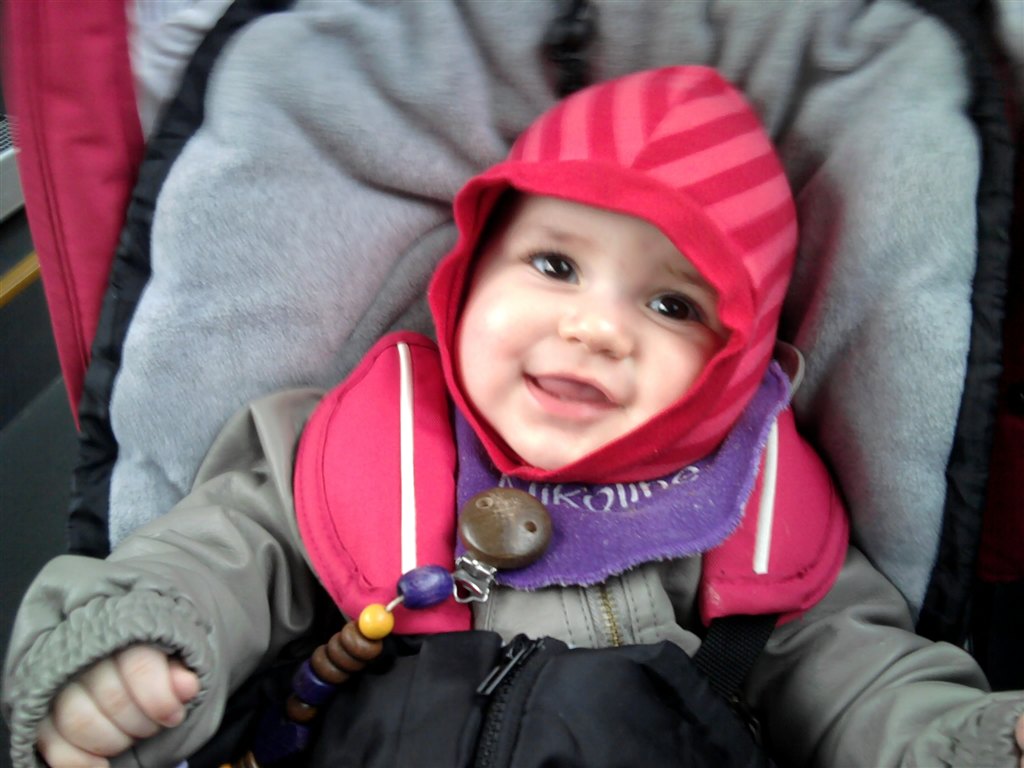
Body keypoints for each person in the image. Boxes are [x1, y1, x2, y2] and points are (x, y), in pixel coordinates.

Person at [4, 66, 1023, 768]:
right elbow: (222, 555)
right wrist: (135, 643)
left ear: (737, 357)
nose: (595, 327)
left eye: (672, 305)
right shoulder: (357, 444)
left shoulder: (753, 507)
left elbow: (860, 680)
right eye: (555, 264)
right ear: (469, 276)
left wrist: (962, 741)